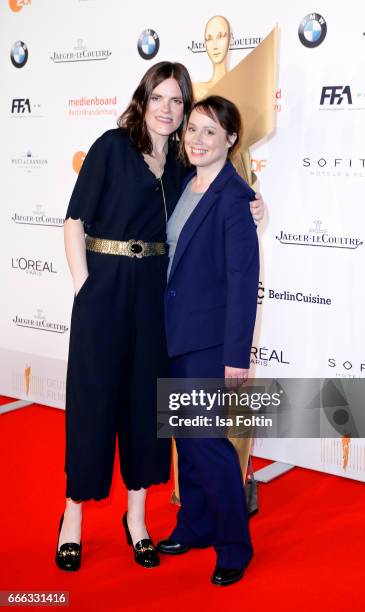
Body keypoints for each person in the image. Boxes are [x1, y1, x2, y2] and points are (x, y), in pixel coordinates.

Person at [57, 62, 264, 572]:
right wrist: (87, 290)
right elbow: (74, 219)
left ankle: (140, 521)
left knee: (150, 420)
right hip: (104, 296)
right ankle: (71, 520)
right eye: (161, 99)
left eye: (179, 102)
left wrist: (257, 205)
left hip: (155, 308)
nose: (170, 112)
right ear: (143, 99)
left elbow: (222, 197)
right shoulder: (111, 146)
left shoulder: (180, 164)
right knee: (93, 406)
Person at [157, 96, 259, 587]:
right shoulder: (182, 184)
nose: (196, 140)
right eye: (191, 130)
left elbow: (244, 282)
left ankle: (235, 544)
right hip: (172, 333)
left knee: (209, 445)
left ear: (230, 141)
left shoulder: (234, 198)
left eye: (209, 133)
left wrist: (236, 357)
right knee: (186, 440)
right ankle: (193, 524)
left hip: (208, 343)